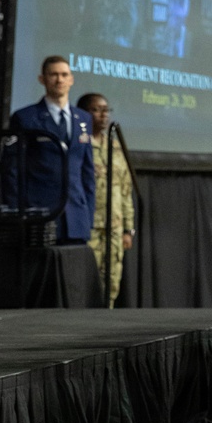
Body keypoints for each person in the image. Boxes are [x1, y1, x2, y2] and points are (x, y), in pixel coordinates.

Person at [2, 56, 95, 244]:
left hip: (76, 217)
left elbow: (87, 171)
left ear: (71, 79)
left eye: (64, 75)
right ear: (42, 79)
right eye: (53, 75)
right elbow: (12, 169)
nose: (59, 80)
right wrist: (17, 211)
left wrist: (88, 214)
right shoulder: (26, 117)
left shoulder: (83, 118)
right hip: (39, 214)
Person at [77, 92, 135, 307]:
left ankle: (106, 318)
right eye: (96, 110)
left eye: (106, 110)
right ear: (83, 113)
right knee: (86, 281)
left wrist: (128, 229)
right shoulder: (79, 144)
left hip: (114, 226)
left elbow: (125, 189)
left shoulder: (116, 146)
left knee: (111, 283)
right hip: (89, 226)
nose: (103, 115)